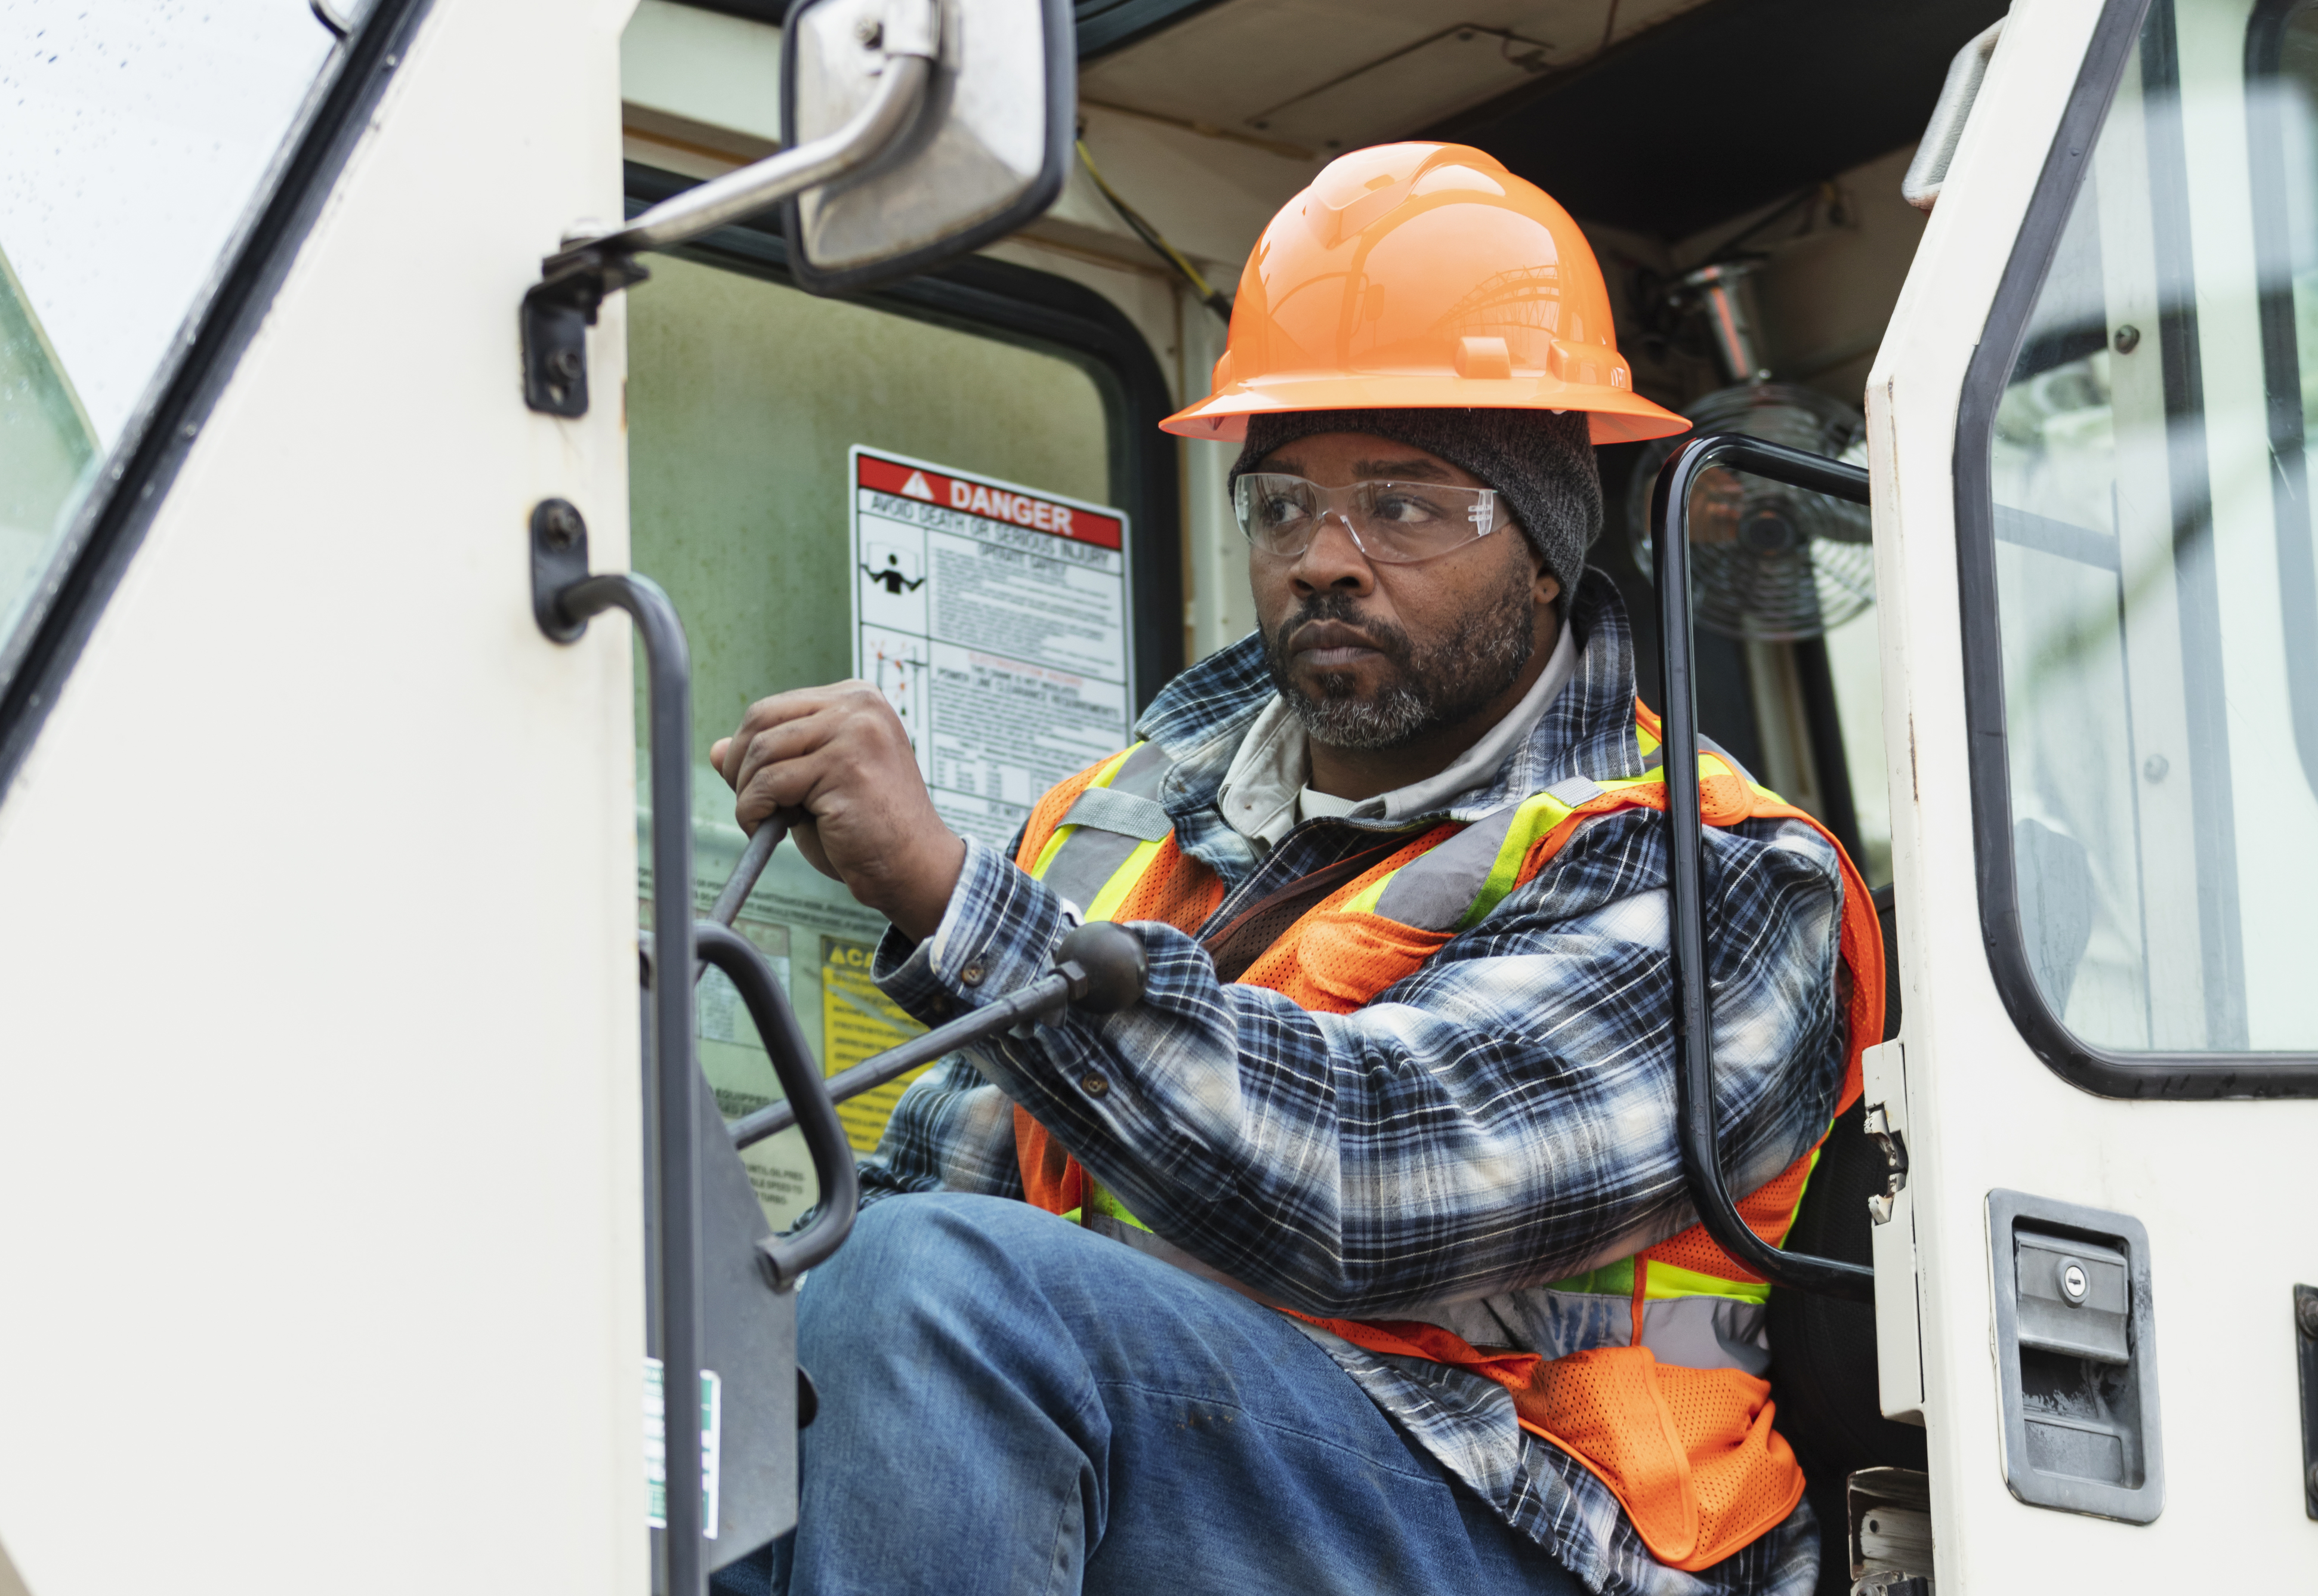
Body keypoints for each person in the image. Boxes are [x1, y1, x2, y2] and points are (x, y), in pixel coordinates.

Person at [710, 142, 1881, 1596]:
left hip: (1534, 1526)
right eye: (1280, 506)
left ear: (1541, 549)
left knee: (928, 1299)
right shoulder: (1120, 814)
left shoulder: (1715, 875)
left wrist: (956, 903)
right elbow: (928, 1177)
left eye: (1404, 505)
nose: (1325, 558)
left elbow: (1377, 1180)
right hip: (1214, 1470)